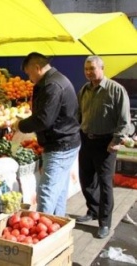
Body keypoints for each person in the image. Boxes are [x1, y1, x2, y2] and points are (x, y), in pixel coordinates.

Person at [18, 52, 81, 216]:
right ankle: (57, 228)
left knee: (46, 192)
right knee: (58, 191)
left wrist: (21, 124)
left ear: (37, 68)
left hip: (60, 145)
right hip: (67, 141)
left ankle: (43, 233)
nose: (30, 78)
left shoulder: (52, 85)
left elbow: (44, 119)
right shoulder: (56, 80)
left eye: (29, 73)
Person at [76, 55, 131, 239]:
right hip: (86, 140)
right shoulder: (84, 89)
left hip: (106, 143)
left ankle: (104, 223)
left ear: (102, 68)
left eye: (92, 68)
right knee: (86, 180)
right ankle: (93, 210)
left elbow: (124, 121)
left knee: (105, 184)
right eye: (86, 69)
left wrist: (116, 141)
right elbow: (79, 115)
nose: (89, 72)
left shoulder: (116, 90)